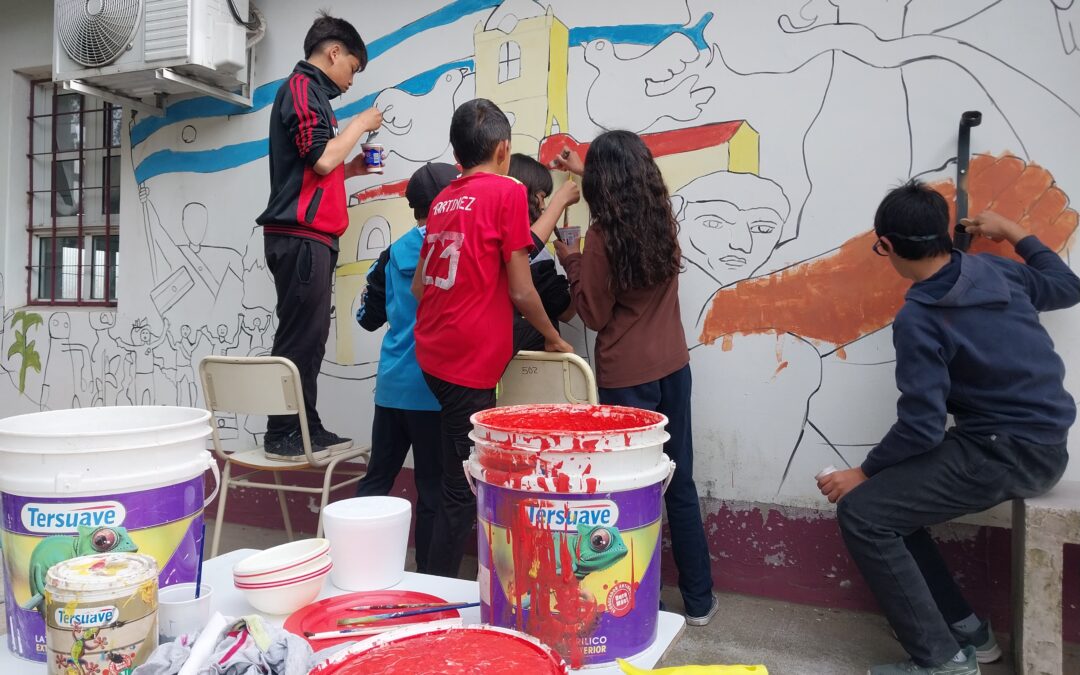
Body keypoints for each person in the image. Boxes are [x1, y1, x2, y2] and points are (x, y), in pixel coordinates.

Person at [817, 181, 1079, 674]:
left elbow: (920, 428)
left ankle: (940, 662)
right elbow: (1067, 287)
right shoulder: (997, 270)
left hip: (1005, 451)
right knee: (890, 506)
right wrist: (1014, 232)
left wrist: (863, 472)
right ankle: (967, 631)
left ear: (888, 246)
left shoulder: (919, 316)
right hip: (1042, 443)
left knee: (863, 512)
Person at [552, 131, 718, 626]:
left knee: (629, 491)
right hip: (674, 367)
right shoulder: (661, 218)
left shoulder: (601, 238)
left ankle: (640, 600)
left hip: (627, 379)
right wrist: (587, 169)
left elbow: (595, 315)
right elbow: (632, 188)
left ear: (603, 183)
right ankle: (701, 600)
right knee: (678, 480)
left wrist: (571, 257)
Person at [413, 98, 573, 578]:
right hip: (466, 362)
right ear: (504, 150)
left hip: (433, 353)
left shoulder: (444, 197)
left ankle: (433, 574)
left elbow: (421, 286)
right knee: (461, 491)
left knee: (450, 476)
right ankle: (436, 593)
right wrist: (552, 338)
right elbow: (523, 290)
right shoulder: (505, 192)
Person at [255, 12, 383, 461]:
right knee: (299, 337)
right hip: (301, 236)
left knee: (310, 337)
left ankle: (304, 425)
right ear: (333, 53)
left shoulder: (311, 94)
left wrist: (353, 169)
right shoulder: (301, 89)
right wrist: (359, 126)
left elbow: (316, 169)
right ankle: (282, 431)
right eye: (352, 67)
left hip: (311, 236)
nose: (351, 80)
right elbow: (321, 160)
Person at [352, 163, 458, 574]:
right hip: (434, 392)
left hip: (392, 388)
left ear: (412, 207)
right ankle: (430, 577)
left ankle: (357, 563)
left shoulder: (392, 252)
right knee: (431, 490)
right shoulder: (457, 246)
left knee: (377, 480)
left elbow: (365, 316)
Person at [506, 153, 579, 351]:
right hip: (534, 362)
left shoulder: (494, 238)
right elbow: (565, 311)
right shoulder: (534, 256)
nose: (544, 205)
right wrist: (573, 262)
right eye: (542, 196)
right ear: (533, 196)